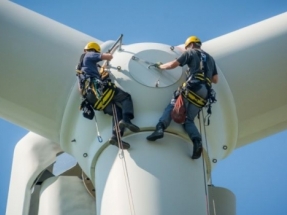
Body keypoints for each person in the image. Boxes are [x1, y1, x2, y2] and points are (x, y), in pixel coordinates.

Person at [146, 36, 218, 159]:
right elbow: (215, 79)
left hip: (193, 86)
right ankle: (197, 141)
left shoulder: (190, 52)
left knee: (173, 105)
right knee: (188, 120)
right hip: (205, 93)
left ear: (190, 45)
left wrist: (160, 66)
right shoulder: (210, 59)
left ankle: (160, 129)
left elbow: (173, 65)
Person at [77, 42, 140, 149]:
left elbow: (80, 90)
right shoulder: (89, 55)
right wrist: (107, 54)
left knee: (116, 111)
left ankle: (115, 137)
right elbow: (108, 57)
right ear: (94, 50)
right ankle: (126, 120)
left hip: (92, 98)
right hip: (97, 89)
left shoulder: (80, 70)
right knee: (125, 97)